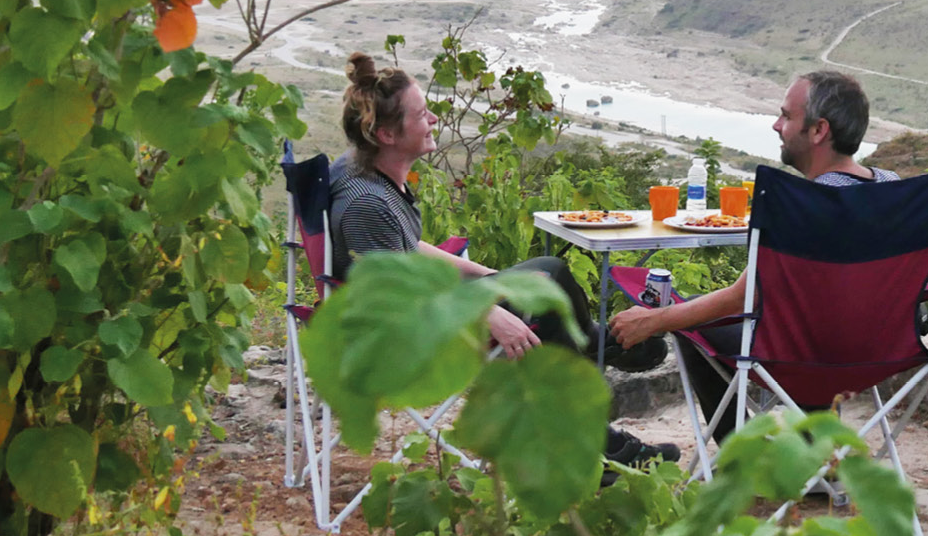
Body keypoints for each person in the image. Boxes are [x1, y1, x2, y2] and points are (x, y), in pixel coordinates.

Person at [333, 52, 674, 467]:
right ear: (387, 134)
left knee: (549, 273)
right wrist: (489, 313)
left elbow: (401, 250)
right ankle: (592, 432)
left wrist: (486, 275)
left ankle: (592, 370)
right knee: (545, 284)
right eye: (422, 114)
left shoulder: (365, 175)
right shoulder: (367, 202)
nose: (434, 121)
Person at [608, 69, 896, 439]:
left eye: (787, 116)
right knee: (812, 318)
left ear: (819, 130)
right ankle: (816, 450)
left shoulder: (802, 205)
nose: (777, 126)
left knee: (693, 320)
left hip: (811, 356)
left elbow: (742, 297)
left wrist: (656, 320)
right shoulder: (894, 190)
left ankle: (740, 460)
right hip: (881, 352)